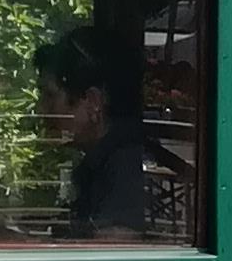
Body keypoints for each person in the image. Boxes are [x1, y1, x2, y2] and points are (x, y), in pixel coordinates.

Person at [30, 29, 157, 240]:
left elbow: (114, 252)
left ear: (93, 102)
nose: (42, 109)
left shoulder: (123, 168)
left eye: (51, 96)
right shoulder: (103, 161)